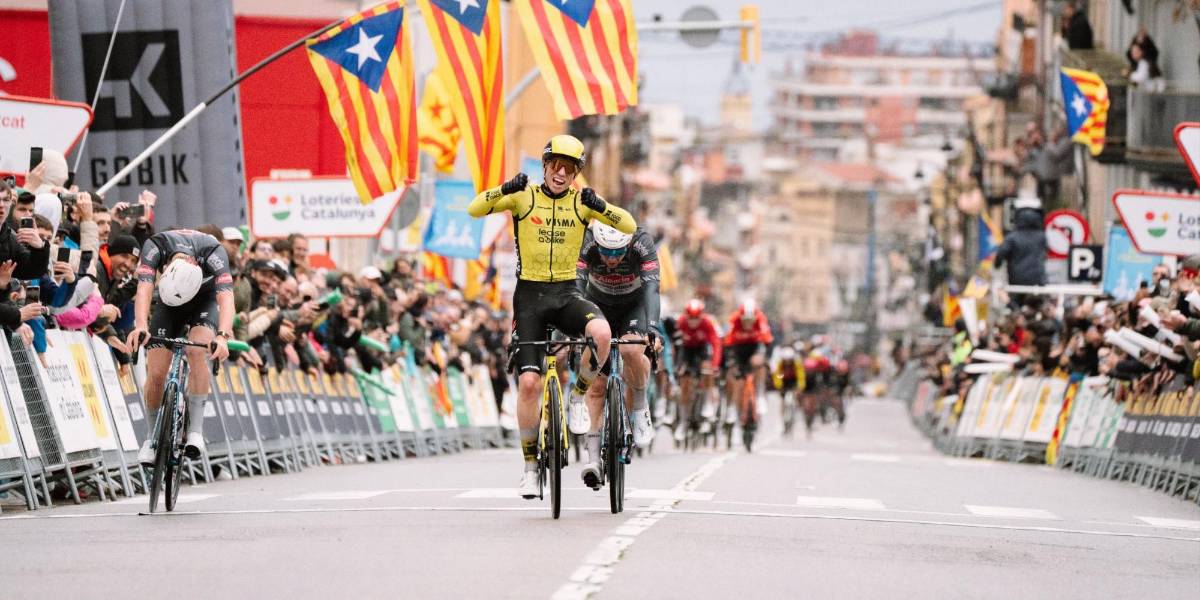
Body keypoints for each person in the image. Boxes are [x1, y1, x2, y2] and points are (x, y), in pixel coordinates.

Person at [466, 134, 636, 499]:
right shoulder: (523, 196)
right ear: (544, 167)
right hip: (529, 297)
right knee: (529, 384)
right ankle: (529, 467)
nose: (561, 173)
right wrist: (502, 189)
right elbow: (475, 209)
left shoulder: (581, 203)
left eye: (569, 168)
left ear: (576, 173)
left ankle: (576, 395)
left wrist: (600, 204)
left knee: (602, 335)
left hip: (566, 293)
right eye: (555, 166)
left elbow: (628, 226)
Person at [126, 229, 235, 465]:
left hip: (203, 301)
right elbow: (144, 288)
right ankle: (151, 438)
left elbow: (226, 299)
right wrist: (141, 326)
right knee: (155, 374)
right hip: (168, 301)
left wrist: (223, 336)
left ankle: (195, 431)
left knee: (197, 350)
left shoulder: (214, 251)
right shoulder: (155, 246)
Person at [571, 222, 660, 486]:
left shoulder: (642, 241)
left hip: (633, 308)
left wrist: (653, 327)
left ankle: (641, 406)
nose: (611, 259)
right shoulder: (586, 240)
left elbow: (652, 290)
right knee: (596, 385)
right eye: (605, 253)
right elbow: (575, 284)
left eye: (618, 253)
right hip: (597, 304)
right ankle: (593, 459)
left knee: (631, 349)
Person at [674, 299, 722, 441]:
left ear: (701, 317)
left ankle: (707, 401)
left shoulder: (707, 323)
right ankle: (682, 422)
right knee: (685, 381)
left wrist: (715, 365)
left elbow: (716, 344)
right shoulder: (681, 322)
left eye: (696, 318)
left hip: (702, 349)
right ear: (686, 316)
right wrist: (677, 367)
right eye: (691, 318)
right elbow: (673, 345)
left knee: (707, 369)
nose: (693, 322)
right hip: (686, 350)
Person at [723, 299, 773, 425]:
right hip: (738, 349)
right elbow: (727, 343)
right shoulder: (733, 320)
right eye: (745, 320)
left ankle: (760, 394)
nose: (748, 324)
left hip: (754, 347)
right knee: (734, 377)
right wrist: (730, 361)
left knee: (760, 364)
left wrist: (764, 358)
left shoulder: (761, 319)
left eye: (751, 321)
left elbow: (767, 341)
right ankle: (733, 406)